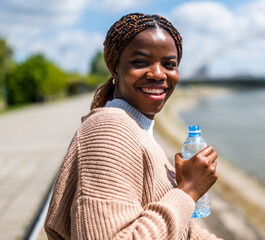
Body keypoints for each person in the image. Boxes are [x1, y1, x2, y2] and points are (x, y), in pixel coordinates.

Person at [44, 13, 220, 240]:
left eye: (169, 64)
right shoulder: (108, 130)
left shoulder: (139, 131)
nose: (158, 74)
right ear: (115, 68)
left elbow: (183, 230)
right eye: (140, 62)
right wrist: (189, 191)